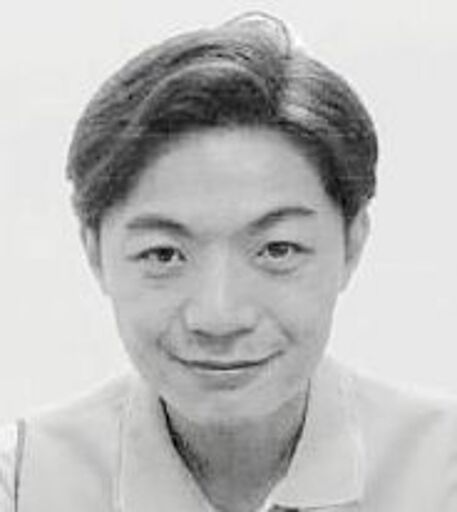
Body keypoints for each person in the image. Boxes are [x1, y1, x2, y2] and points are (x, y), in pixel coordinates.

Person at [1, 11, 456, 512]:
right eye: (164, 254)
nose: (219, 316)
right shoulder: (22, 484)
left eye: (277, 249)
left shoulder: (442, 474)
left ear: (352, 243)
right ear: (94, 250)